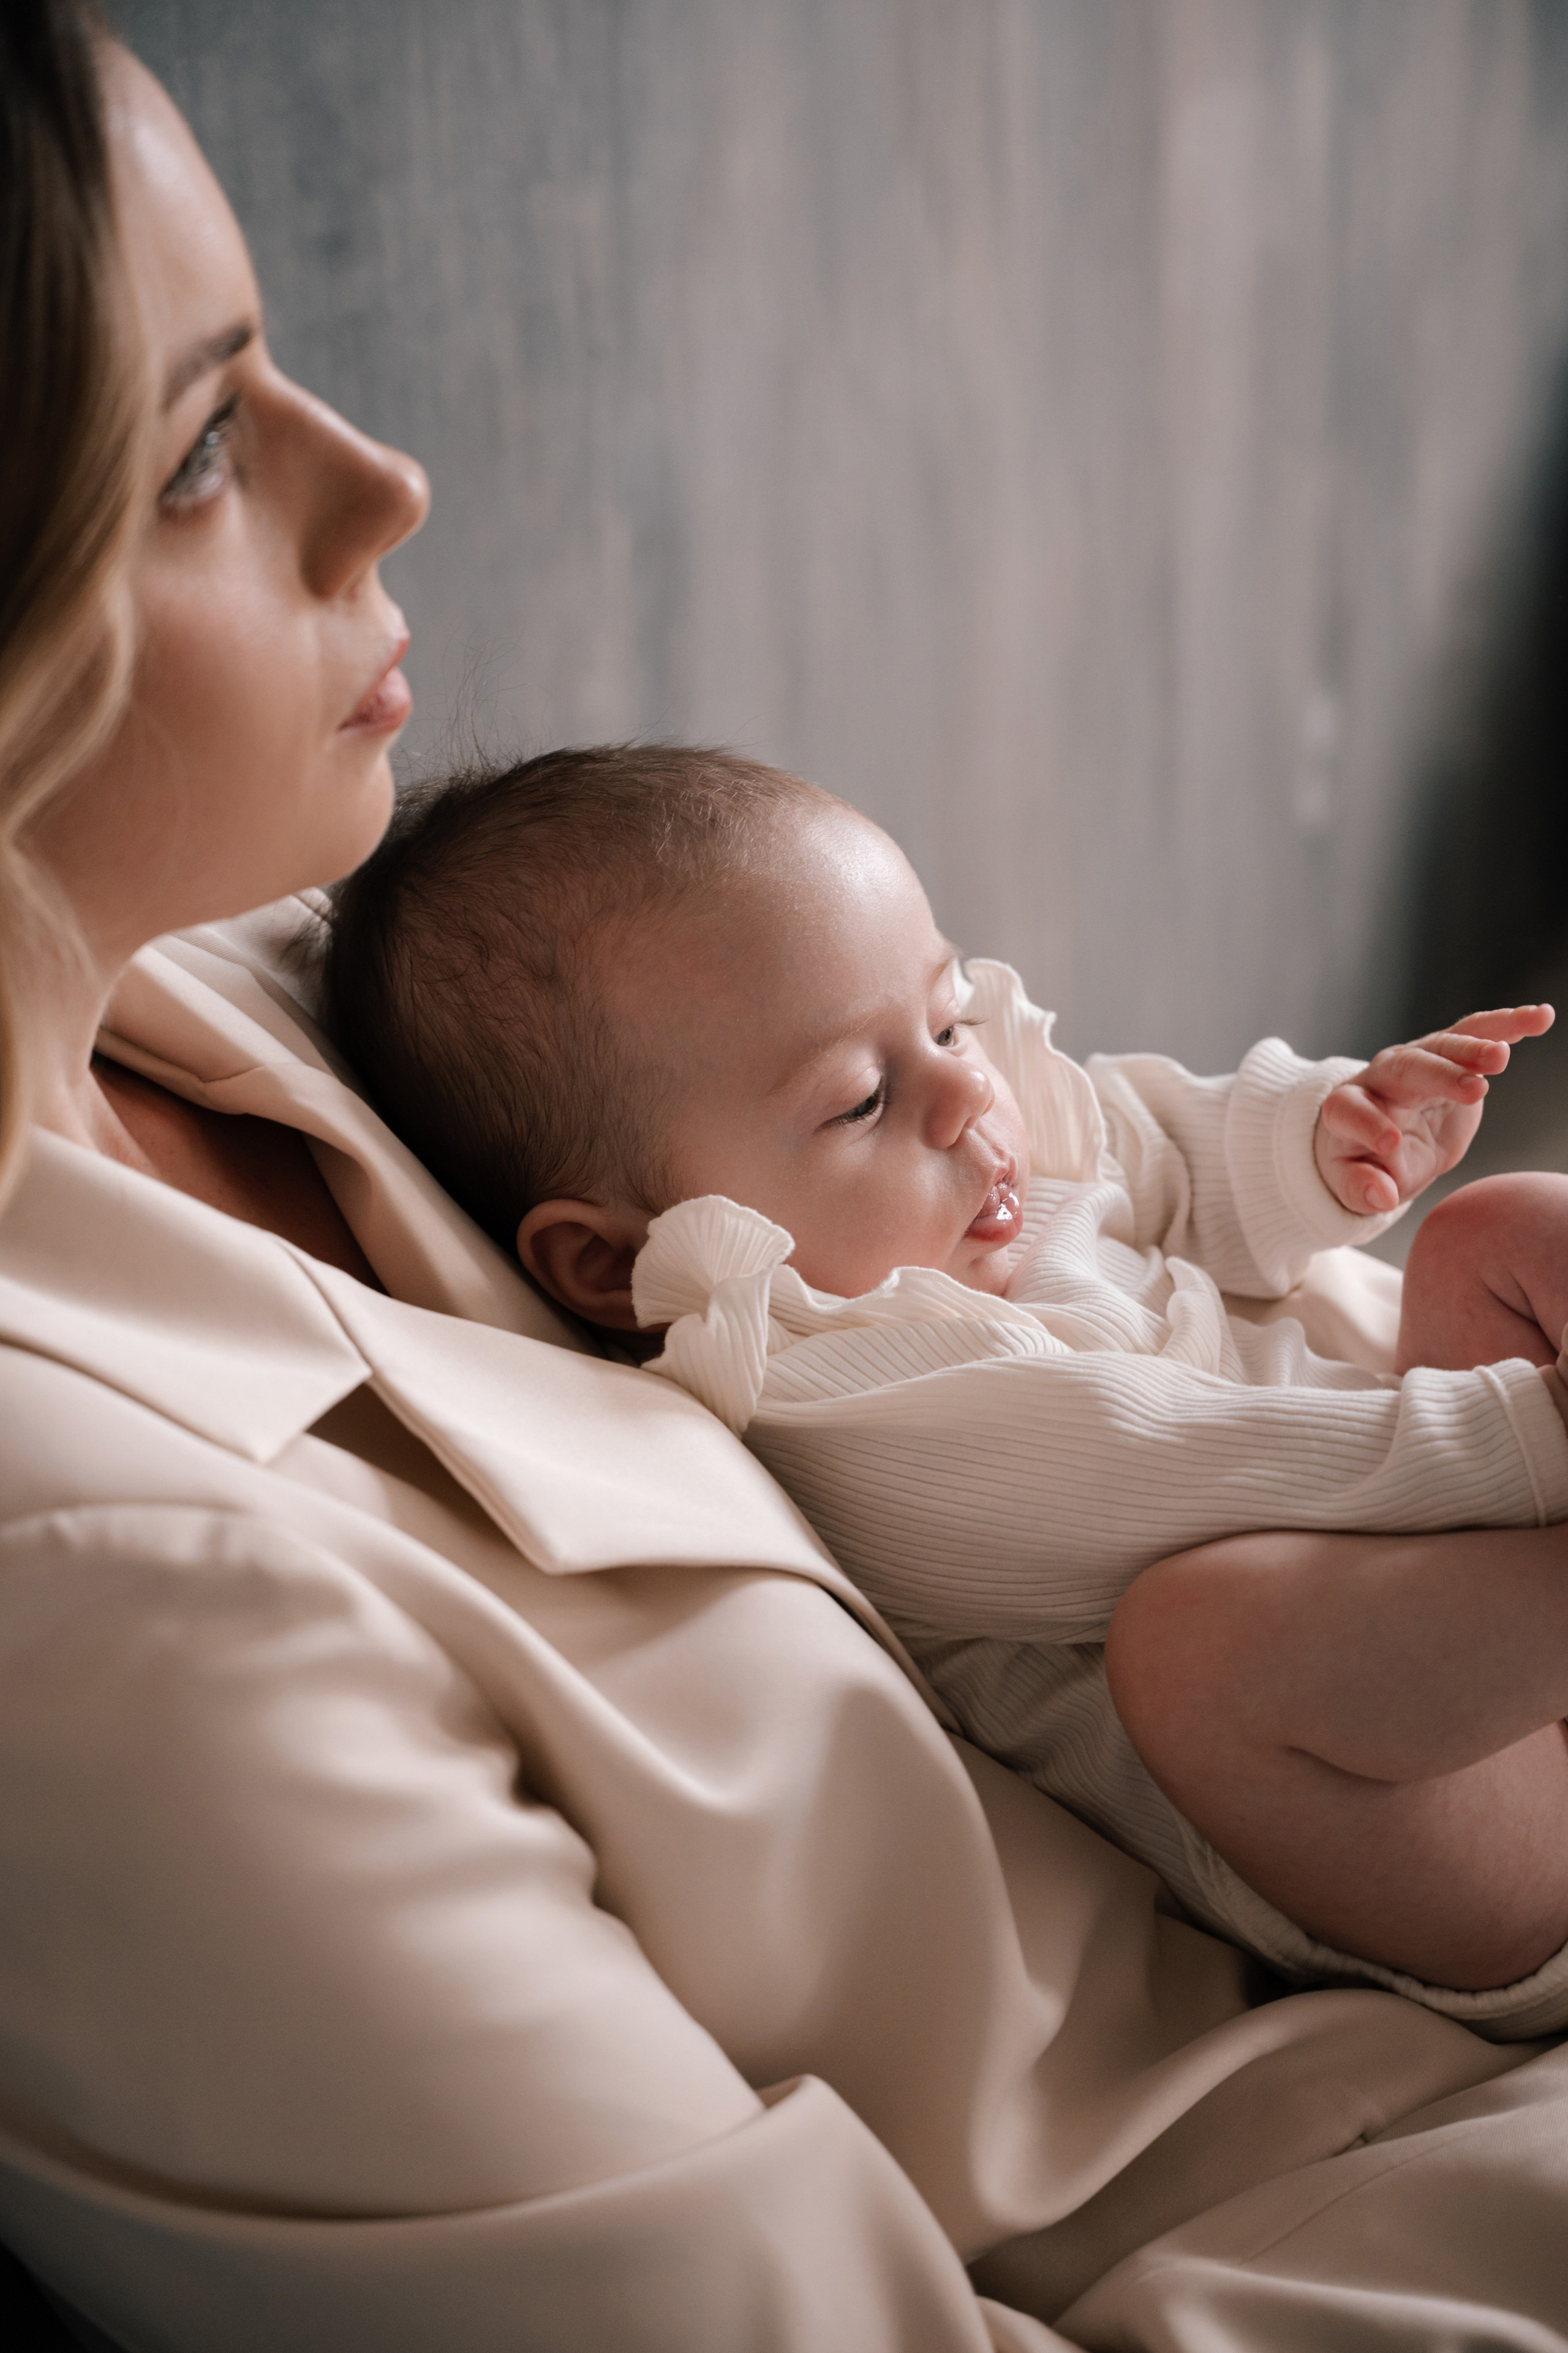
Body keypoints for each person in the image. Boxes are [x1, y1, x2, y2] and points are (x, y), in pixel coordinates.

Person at [7, 7, 1568, 2349]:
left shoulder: (236, 966)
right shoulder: (101, 1613)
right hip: (1380, 2176)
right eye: (207, 445)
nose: (387, 477)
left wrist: (1284, 1161)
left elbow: (1063, 1111)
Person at [326, 742, 1568, 2028]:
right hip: (1419, 1815)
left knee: (1498, 1228)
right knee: (1196, 1645)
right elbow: (1172, 1465)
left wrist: (1315, 1140)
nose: (966, 1088)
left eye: (945, 1014)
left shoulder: (960, 1166)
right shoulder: (840, 1393)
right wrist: (1529, 1432)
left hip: (1466, 1623)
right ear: (616, 1256)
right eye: (862, 1099)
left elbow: (1138, 1144)